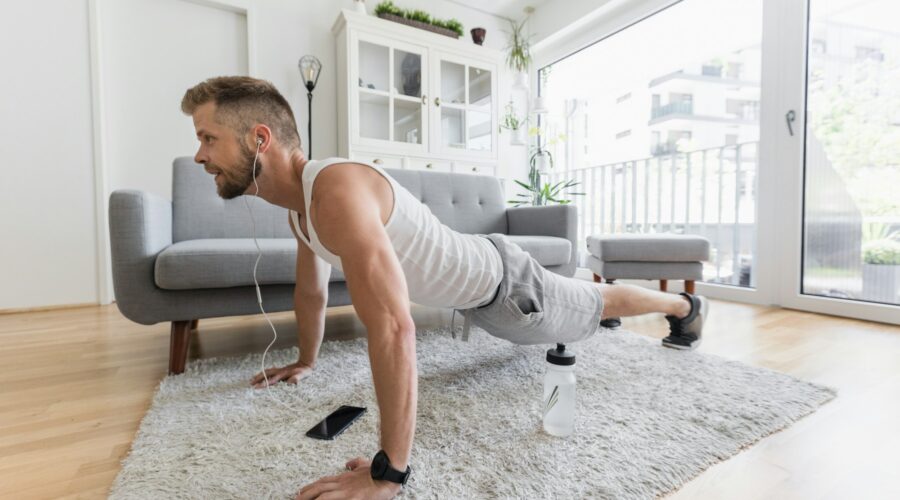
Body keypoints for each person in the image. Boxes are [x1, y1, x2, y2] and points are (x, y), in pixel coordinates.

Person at [181, 76, 709, 500]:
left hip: (508, 290)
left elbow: (392, 325)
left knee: (596, 300)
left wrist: (390, 472)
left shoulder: (335, 188)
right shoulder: (301, 209)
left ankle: (684, 305)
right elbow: (311, 292)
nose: (200, 155)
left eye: (208, 138)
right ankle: (608, 311)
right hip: (478, 298)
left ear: (258, 138)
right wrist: (306, 360)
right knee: (587, 305)